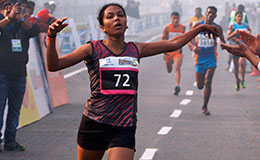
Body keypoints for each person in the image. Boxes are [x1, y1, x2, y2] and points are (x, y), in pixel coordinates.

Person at [46, 3, 218, 159]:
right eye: (110, 16)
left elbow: (173, 44)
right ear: (102, 27)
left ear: (127, 23)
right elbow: (54, 65)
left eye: (120, 15)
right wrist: (52, 37)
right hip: (94, 123)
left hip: (124, 126)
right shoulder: (92, 49)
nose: (116, 19)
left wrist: (200, 28)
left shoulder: (135, 49)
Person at [0, 1, 39, 151]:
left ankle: (10, 141)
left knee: (15, 109)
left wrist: (21, 18)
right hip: (2, 73)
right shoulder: (3, 24)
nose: (13, 11)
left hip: (19, 73)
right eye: (9, 9)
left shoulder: (23, 26)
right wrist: (9, 18)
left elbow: (35, 30)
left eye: (16, 9)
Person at [188, 6, 225, 116]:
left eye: (213, 14)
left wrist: (224, 45)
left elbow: (222, 41)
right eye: (209, 13)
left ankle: (205, 106)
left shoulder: (217, 28)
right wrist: (194, 47)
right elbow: (188, 39)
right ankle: (203, 95)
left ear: (215, 16)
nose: (210, 15)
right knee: (200, 85)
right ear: (206, 13)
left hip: (211, 58)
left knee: (208, 82)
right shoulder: (197, 26)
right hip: (199, 59)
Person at [161, 12, 186, 95]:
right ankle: (169, 63)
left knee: (177, 67)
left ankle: (177, 85)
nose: (175, 20)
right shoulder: (167, 28)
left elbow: (184, 38)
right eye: (174, 18)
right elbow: (162, 40)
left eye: (177, 18)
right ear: (171, 19)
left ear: (179, 19)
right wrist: (163, 50)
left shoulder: (182, 28)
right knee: (169, 70)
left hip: (177, 52)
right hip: (168, 53)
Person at [226, 11, 251, 91]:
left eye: (241, 17)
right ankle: (237, 80)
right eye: (238, 16)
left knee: (242, 62)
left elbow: (250, 33)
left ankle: (243, 80)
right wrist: (234, 33)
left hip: (243, 47)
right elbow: (228, 37)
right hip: (235, 47)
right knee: (236, 66)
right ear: (235, 17)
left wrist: (248, 33)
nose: (240, 18)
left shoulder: (245, 25)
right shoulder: (232, 25)